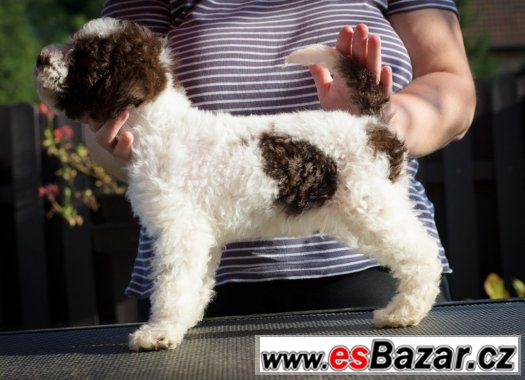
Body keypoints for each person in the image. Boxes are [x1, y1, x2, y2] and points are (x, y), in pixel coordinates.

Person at [86, 0, 476, 318]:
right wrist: (121, 144)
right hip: (220, 288)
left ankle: (419, 276)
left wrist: (388, 118)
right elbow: (105, 104)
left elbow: (452, 88)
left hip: (361, 273)